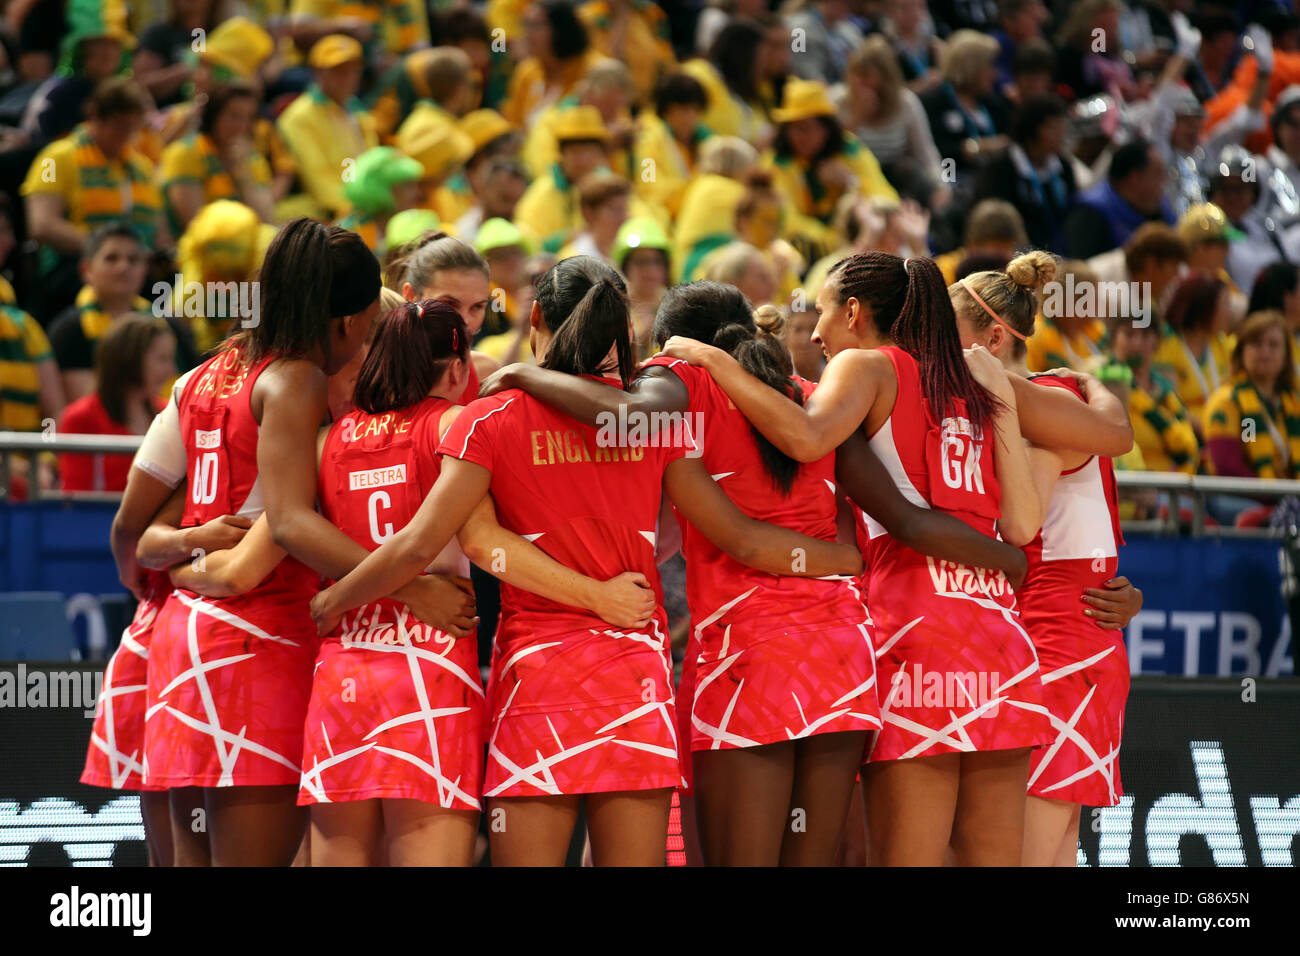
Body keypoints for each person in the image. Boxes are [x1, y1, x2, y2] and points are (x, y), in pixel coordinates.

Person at [310, 257, 866, 866]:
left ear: (537, 317)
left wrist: (336, 599)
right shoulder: (658, 423)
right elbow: (714, 532)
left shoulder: (487, 418)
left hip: (537, 677)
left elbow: (450, 543)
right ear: (621, 332)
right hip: (635, 673)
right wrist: (839, 555)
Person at [479, 278, 1031, 865]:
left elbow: (638, 427)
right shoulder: (809, 394)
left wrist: (523, 374)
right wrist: (850, 560)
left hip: (748, 656)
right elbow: (893, 516)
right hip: (842, 655)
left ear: (672, 341)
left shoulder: (683, 376)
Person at [656, 252, 1133, 864]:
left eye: (824, 312)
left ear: (854, 311)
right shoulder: (982, 376)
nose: (818, 332)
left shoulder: (863, 367)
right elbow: (1044, 503)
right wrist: (1094, 385)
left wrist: (713, 359)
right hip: (999, 637)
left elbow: (807, 438)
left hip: (913, 630)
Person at [137, 219, 464, 866]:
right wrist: (410, 583)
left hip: (183, 640)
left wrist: (180, 564)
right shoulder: (302, 385)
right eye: (371, 325)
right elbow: (283, 527)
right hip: (258, 644)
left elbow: (136, 526)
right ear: (348, 325)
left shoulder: (214, 370)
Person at [950, 253, 1139, 866]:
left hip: (1057, 648)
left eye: (945, 336)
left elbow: (1021, 525)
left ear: (992, 337)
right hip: (1075, 643)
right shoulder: (1065, 396)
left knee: (1023, 854)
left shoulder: (1036, 406)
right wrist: (1098, 385)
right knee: (1053, 853)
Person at [20, 77, 166, 323]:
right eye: (119, 126)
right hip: (73, 273)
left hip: (137, 273)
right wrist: (108, 252)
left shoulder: (141, 167)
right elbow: (42, 224)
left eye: (133, 128)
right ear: (95, 116)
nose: (127, 136)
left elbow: (160, 232)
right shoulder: (56, 157)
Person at [46, 223, 194, 401]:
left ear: (144, 269)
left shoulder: (171, 327)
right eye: (111, 258)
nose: (123, 267)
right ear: (86, 270)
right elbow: (83, 403)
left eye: (133, 260)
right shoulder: (69, 330)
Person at [765, 78, 898, 254]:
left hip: (862, 243)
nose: (799, 136)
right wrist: (834, 241)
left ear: (826, 128)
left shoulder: (849, 149)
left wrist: (851, 182)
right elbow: (787, 220)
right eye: (793, 128)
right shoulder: (776, 163)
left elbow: (886, 199)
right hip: (810, 252)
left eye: (807, 128)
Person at [58, 314, 173, 493]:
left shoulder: (170, 413)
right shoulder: (81, 417)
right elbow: (77, 498)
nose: (170, 370)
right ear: (129, 359)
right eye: (162, 359)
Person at [837, 35, 947, 210]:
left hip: (896, 181)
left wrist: (942, 187)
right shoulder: (836, 101)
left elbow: (927, 154)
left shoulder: (906, 103)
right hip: (855, 180)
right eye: (860, 78)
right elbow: (835, 151)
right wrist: (857, 117)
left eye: (872, 83)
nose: (867, 91)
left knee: (909, 171)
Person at [276, 35, 378, 220]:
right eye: (339, 71)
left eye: (353, 70)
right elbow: (318, 180)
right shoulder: (299, 116)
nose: (347, 78)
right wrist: (359, 210)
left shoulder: (358, 112)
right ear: (318, 72)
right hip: (327, 216)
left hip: (364, 208)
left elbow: (373, 164)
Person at [159, 80, 275, 236]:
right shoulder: (185, 153)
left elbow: (266, 221)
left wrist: (242, 174)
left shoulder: (254, 161)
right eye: (234, 116)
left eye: (250, 118)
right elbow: (194, 225)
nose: (242, 126)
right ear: (214, 116)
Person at [1204, 310, 1300, 480]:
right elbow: (1228, 468)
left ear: (1286, 356)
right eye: (1256, 344)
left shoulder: (1292, 403)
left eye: (1274, 345)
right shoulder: (1226, 400)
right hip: (1240, 499)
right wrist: (1277, 499)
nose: (1265, 352)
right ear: (1241, 352)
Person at [974, 94, 1076, 253]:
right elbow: (995, 225)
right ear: (1033, 130)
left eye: (1062, 127)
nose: (1061, 135)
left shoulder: (1064, 167)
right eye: (1053, 128)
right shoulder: (1000, 170)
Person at [1106, 312, 1201, 476]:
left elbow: (1188, 443)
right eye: (1129, 335)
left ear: (1156, 342)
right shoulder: (1102, 382)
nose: (1137, 344)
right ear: (1114, 338)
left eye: (1145, 336)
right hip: (1127, 481)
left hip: (1175, 484)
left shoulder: (1165, 391)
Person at [1064, 139, 1174, 261]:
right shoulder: (1089, 214)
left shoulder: (1157, 206)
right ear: (1135, 178)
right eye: (1158, 173)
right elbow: (1083, 274)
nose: (1165, 180)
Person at [1154, 274, 1235, 427]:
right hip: (1187, 434)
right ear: (1204, 308)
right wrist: (1213, 431)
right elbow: (1172, 407)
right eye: (1225, 304)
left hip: (1221, 430)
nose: (1230, 312)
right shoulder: (1166, 344)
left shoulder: (1221, 343)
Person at [337, 146, 424, 256]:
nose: (417, 193)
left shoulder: (407, 224)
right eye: (407, 186)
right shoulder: (350, 234)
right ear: (382, 190)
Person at [1026, 260, 1109, 373]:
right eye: (1091, 298)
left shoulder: (1096, 331)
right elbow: (1024, 383)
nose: (1098, 303)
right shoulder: (1035, 335)